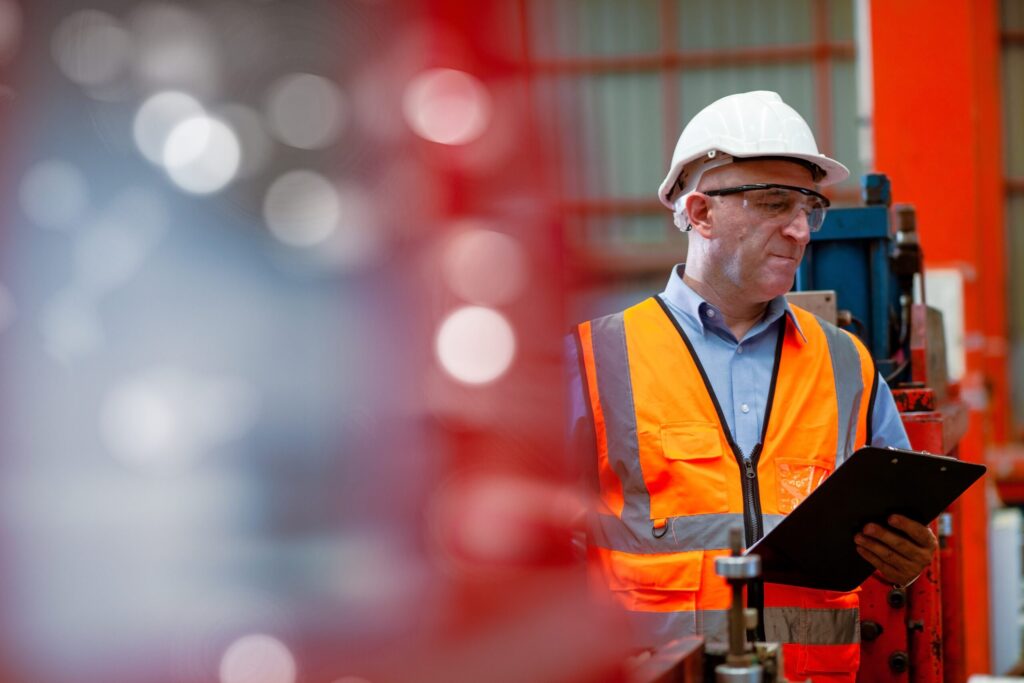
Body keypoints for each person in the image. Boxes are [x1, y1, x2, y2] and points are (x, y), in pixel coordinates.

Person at [568, 91, 937, 682]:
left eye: (809, 207)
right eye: (773, 203)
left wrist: (909, 559)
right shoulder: (596, 360)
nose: (799, 231)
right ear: (700, 211)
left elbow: (900, 527)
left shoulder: (847, 364)